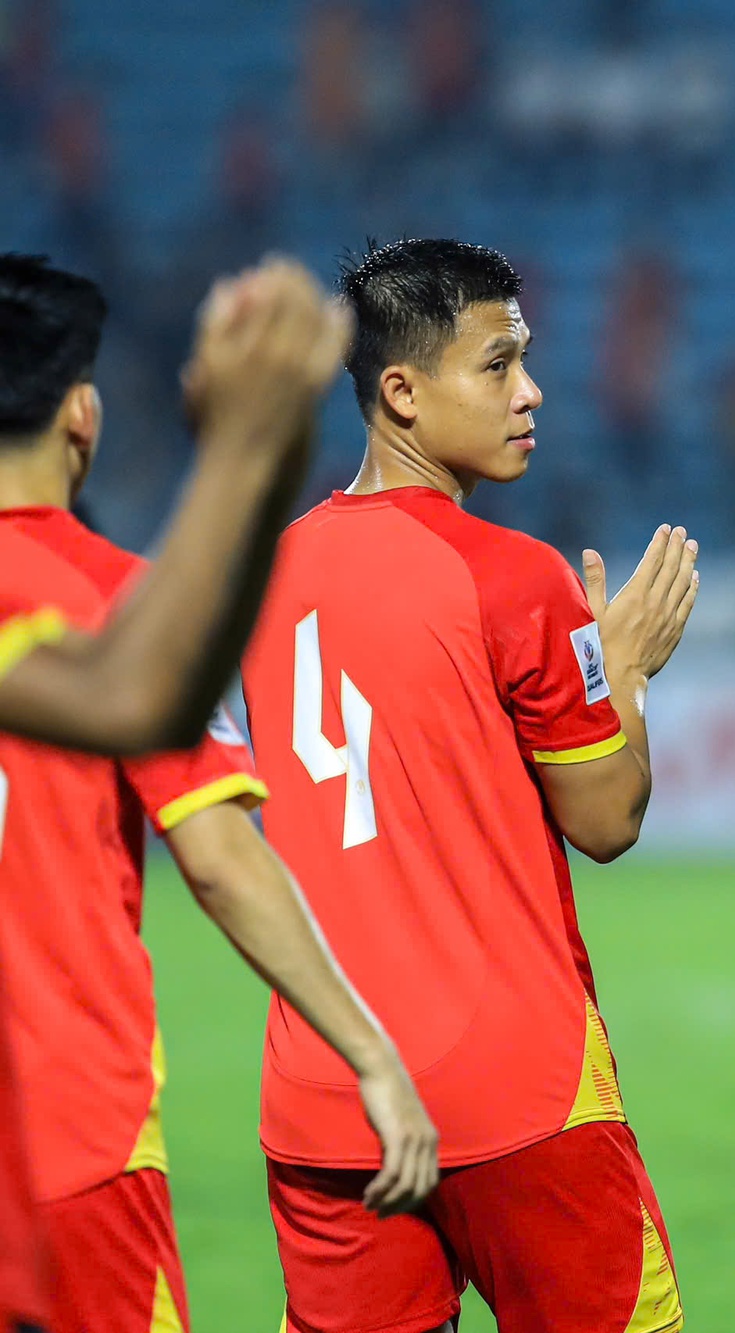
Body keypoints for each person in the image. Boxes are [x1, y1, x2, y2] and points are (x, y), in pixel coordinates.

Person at [239, 238, 696, 1333]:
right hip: (512, 1088)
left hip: (325, 1099)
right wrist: (623, 674)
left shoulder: (260, 574)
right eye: (497, 364)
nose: (530, 392)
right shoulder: (512, 576)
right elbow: (606, 819)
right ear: (401, 392)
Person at [0, 253, 436, 1333]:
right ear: (83, 413)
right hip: (64, 1145)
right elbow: (221, 855)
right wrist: (372, 1054)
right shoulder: (116, 605)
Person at [0, 255, 347, 754]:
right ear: (81, 414)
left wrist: (266, 447)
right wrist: (247, 437)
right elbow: (129, 699)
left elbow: (140, 698)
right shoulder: (108, 594)